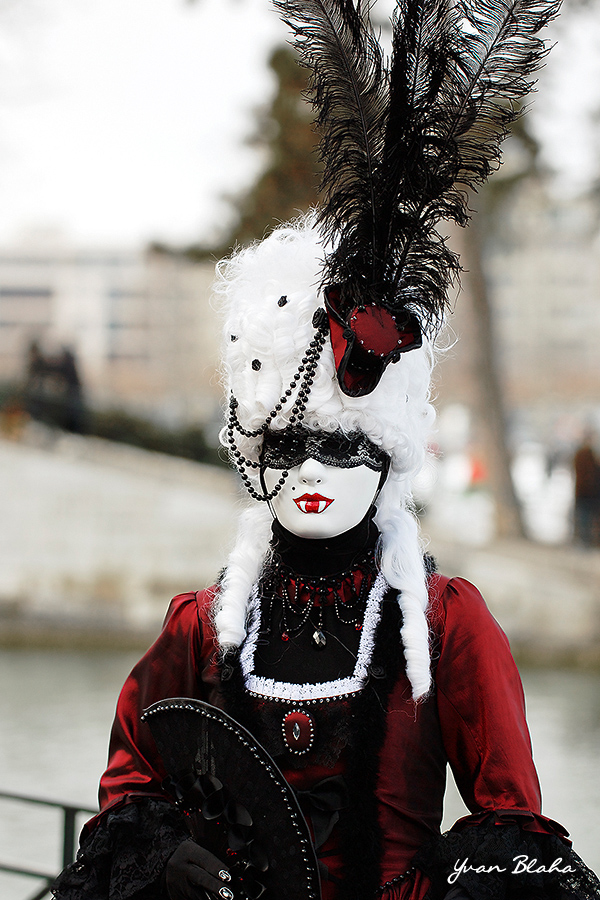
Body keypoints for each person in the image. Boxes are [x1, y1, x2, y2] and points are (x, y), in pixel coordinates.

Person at [52, 2, 600, 899]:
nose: (311, 470)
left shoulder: (447, 625)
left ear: (387, 452)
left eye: (341, 445)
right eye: (290, 443)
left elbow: (511, 820)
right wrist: (164, 854)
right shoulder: (202, 626)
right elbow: (132, 783)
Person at [573, 432, 600, 547]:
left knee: (585, 517)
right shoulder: (588, 456)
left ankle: (585, 540)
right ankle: (585, 541)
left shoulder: (583, 455)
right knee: (585, 517)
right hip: (587, 492)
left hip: (586, 492)